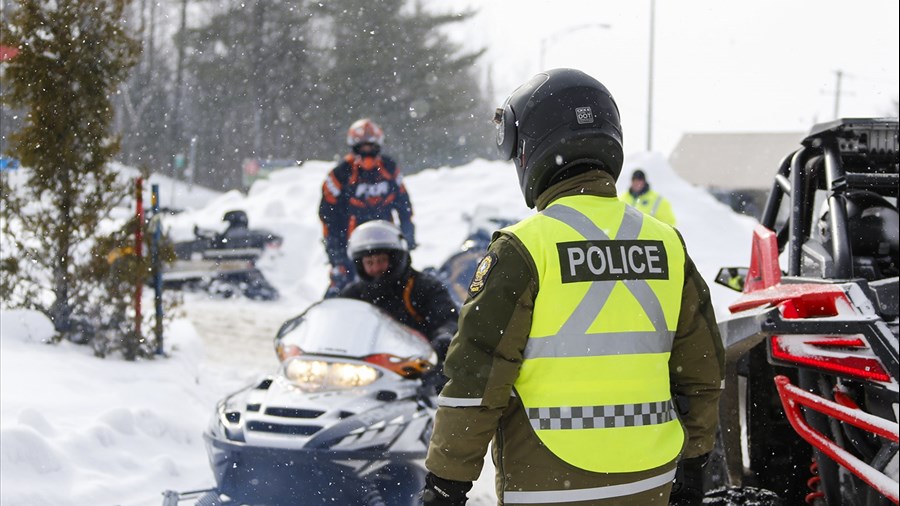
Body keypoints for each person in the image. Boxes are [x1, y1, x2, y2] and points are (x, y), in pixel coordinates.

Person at [422, 68, 724, 506]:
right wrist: (693, 466)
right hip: (650, 482)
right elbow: (701, 371)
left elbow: (476, 378)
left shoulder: (523, 249)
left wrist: (445, 484)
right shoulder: (666, 244)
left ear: (530, 150)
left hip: (548, 486)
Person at [340, 220, 457, 389]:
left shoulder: (424, 286)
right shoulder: (353, 294)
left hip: (416, 370)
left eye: (381, 260)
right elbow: (334, 321)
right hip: (363, 371)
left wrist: (442, 340)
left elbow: (448, 319)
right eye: (369, 263)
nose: (376, 268)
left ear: (396, 259)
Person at [319, 118, 416, 298]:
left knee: (399, 284)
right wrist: (335, 252)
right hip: (349, 242)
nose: (367, 151)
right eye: (362, 146)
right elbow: (327, 215)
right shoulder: (340, 173)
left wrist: (408, 232)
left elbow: (403, 202)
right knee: (342, 287)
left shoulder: (389, 168)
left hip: (386, 238)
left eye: (370, 146)